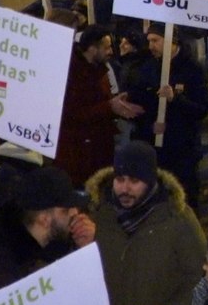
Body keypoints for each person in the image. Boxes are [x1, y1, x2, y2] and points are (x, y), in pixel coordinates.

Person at [88, 141, 208, 305]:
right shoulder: (100, 216)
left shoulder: (178, 219)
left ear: (150, 181)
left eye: (134, 181)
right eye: (120, 179)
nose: (124, 189)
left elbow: (198, 276)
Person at [0, 166, 96, 304]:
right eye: (66, 210)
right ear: (44, 219)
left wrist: (85, 251)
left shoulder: (45, 246)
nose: (75, 212)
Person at [128, 28, 208, 207]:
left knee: (184, 198)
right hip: (154, 148)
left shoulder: (192, 69)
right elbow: (139, 103)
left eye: (156, 40)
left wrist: (176, 99)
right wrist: (149, 125)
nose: (150, 46)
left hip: (183, 149)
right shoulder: (147, 67)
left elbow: (202, 109)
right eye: (149, 40)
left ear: (173, 41)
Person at [57, 25, 144, 186]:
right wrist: (110, 106)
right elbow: (72, 113)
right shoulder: (71, 74)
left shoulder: (98, 69)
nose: (111, 51)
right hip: (79, 156)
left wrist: (118, 104)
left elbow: (101, 102)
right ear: (91, 49)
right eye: (107, 47)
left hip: (99, 149)